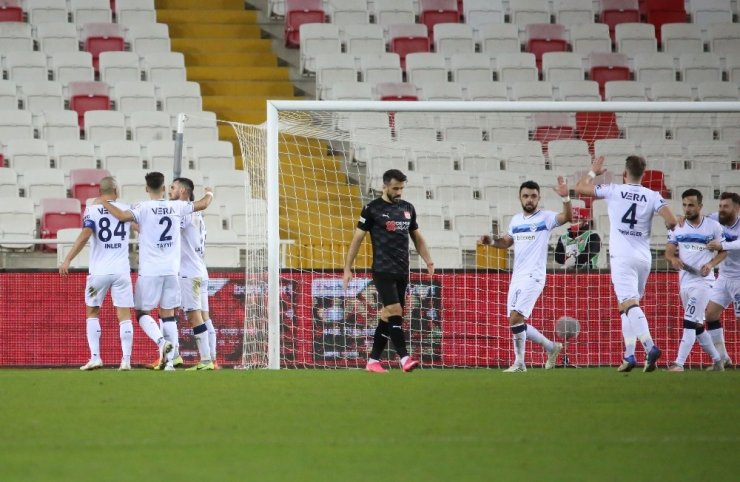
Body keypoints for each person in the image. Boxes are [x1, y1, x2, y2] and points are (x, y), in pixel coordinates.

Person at [94, 172, 214, 370]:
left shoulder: (143, 207)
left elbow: (123, 216)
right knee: (168, 314)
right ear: (165, 188)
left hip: (150, 270)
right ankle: (170, 362)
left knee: (142, 312)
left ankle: (162, 343)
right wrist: (209, 193)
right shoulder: (176, 206)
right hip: (172, 271)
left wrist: (105, 202)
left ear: (146, 188)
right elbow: (201, 204)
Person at [575, 155, 677, 372]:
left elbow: (580, 188)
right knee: (626, 307)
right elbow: (672, 221)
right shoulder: (653, 195)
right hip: (643, 258)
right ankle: (629, 356)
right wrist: (672, 239)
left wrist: (594, 172)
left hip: (622, 257)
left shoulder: (614, 189)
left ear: (625, 172)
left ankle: (650, 347)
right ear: (644, 174)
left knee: (629, 304)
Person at [343, 169, 434, 373]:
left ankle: (373, 360)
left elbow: (417, 237)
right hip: (382, 270)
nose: (399, 192)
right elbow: (357, 239)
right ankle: (404, 358)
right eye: (395, 188)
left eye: (402, 188)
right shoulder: (372, 209)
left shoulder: (408, 208)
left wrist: (428, 260)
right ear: (384, 186)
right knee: (396, 312)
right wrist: (347, 268)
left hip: (402, 271)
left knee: (387, 315)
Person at [479, 178, 571, 372]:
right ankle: (551, 347)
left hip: (534, 276)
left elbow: (566, 217)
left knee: (515, 319)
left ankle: (520, 363)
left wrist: (566, 197)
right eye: (526, 196)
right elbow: (506, 242)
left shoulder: (545, 218)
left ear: (539, 198)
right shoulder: (516, 220)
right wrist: (491, 241)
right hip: (517, 276)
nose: (529, 199)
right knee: (515, 322)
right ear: (520, 198)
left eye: (533, 196)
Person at [59, 177, 135, 371]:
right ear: (116, 189)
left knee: (92, 311)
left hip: (99, 272)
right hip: (121, 271)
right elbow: (140, 228)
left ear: (100, 192)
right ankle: (125, 360)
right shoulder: (126, 209)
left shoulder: (92, 209)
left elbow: (85, 234)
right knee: (124, 315)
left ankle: (95, 357)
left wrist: (68, 258)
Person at [664, 189, 726, 371]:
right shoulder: (678, 226)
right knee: (697, 326)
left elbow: (724, 251)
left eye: (691, 205)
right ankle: (717, 361)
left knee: (689, 321)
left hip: (704, 283)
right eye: (684, 205)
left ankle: (679, 363)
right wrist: (673, 259)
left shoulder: (713, 227)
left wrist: (711, 263)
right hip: (685, 282)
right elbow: (668, 251)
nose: (687, 208)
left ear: (700, 206)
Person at [702, 191, 740, 368]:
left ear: (736, 208)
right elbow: (699, 221)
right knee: (710, 314)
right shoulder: (715, 218)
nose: (722, 210)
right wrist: (681, 221)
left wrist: (722, 245)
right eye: (720, 206)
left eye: (726, 206)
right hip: (724, 277)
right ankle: (723, 357)